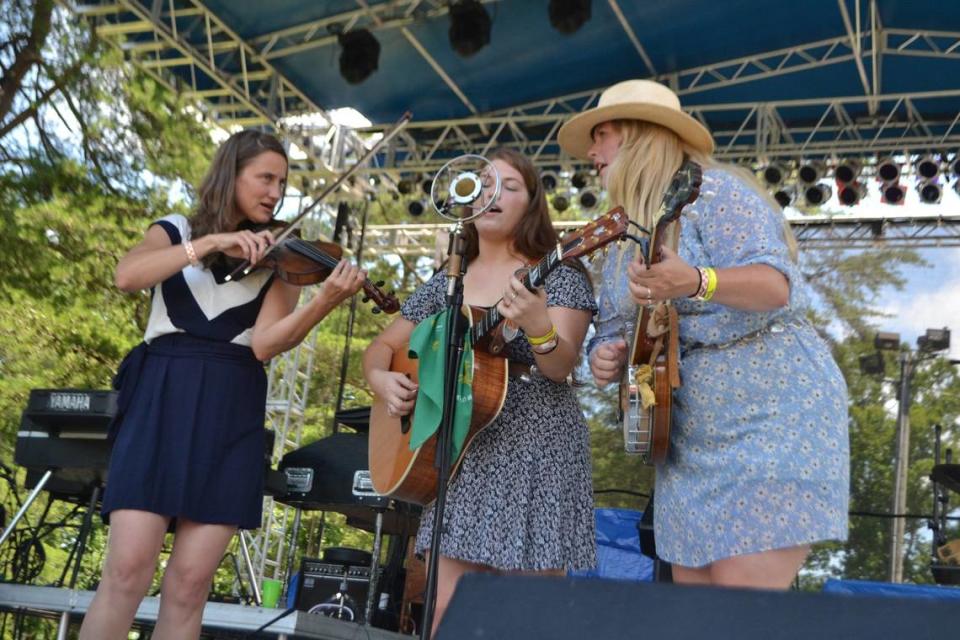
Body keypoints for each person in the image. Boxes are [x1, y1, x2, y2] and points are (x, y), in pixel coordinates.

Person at [557, 79, 849, 589]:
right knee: (693, 613)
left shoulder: (715, 192)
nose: (591, 151)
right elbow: (612, 330)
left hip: (769, 421)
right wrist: (606, 357)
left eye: (601, 134)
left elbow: (775, 286)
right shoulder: (623, 235)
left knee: (738, 608)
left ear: (639, 135)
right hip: (685, 439)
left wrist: (696, 280)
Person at [79, 130, 366, 640]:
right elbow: (128, 275)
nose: (276, 192)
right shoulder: (174, 230)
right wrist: (209, 243)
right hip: (162, 394)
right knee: (126, 574)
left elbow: (263, 345)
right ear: (231, 175)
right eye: (265, 178)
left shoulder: (280, 258)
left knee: (190, 585)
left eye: (282, 182)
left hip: (231, 404)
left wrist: (323, 302)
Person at [363, 148, 597, 632]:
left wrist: (537, 325)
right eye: (485, 183)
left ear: (532, 204)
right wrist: (381, 379)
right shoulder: (446, 281)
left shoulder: (559, 274)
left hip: (538, 447)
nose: (495, 194)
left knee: (525, 615)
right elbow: (382, 347)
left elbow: (560, 364)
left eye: (511, 186)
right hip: (461, 450)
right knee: (447, 610)